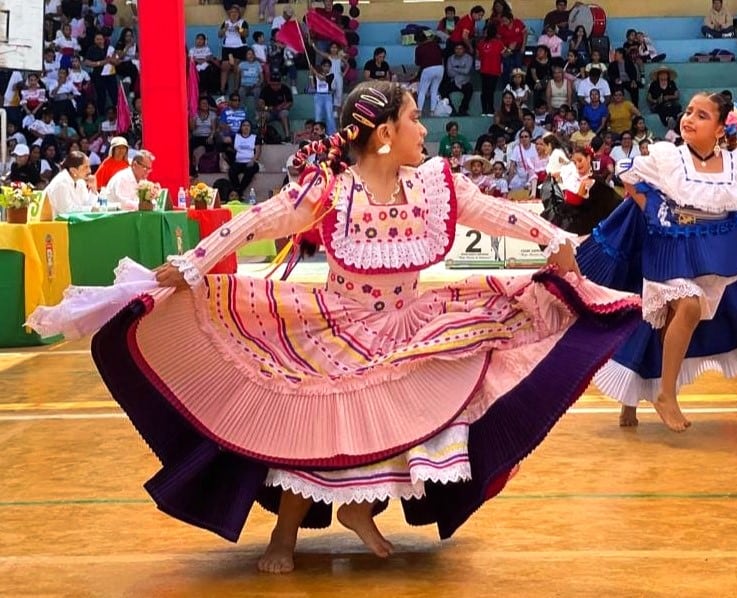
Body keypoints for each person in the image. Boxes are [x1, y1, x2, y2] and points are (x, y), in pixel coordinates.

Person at [27, 82, 642, 574]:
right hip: (335, 326)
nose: (424, 129)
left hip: (410, 324)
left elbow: (498, 211)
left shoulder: (433, 187)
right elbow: (256, 222)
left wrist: (557, 238)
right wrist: (188, 266)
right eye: (412, 120)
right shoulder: (331, 193)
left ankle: (362, 510)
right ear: (383, 134)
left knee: (408, 418)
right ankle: (286, 532)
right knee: (313, 428)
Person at [576, 94, 737, 431]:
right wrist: (656, 213)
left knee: (662, 325)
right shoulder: (668, 158)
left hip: (710, 259)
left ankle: (633, 397)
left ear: (721, 128)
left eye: (702, 115)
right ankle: (666, 394)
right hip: (666, 251)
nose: (689, 119)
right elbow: (630, 180)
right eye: (688, 112)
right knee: (687, 309)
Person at [44, 151, 97, 218]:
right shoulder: (61, 183)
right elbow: (66, 211)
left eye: (89, 166)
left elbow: (86, 205)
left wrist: (93, 189)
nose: (89, 171)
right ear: (73, 170)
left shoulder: (80, 181)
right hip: (51, 225)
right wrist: (91, 209)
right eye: (85, 167)